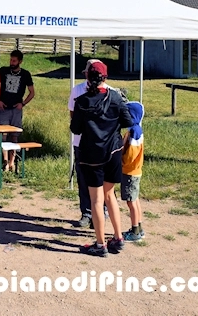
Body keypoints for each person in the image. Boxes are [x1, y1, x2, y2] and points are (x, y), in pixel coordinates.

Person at [70, 61, 133, 257]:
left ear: (87, 77)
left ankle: (100, 244)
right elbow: (128, 121)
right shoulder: (115, 97)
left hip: (92, 155)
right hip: (114, 152)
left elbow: (75, 129)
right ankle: (118, 238)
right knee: (110, 195)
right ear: (105, 77)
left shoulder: (82, 101)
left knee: (96, 200)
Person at [68, 58, 111, 228]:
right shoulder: (77, 90)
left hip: (102, 144)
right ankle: (86, 212)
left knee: (103, 180)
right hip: (82, 142)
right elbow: (73, 115)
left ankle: (102, 212)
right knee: (83, 179)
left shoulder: (109, 92)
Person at [0, 50, 35, 172]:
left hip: (16, 109)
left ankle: (12, 162)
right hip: (4, 107)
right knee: (3, 135)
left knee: (14, 135)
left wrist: (23, 103)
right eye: (11, 60)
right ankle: (4, 161)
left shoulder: (25, 74)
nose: (12, 63)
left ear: (20, 61)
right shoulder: (3, 71)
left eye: (14, 61)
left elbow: (32, 92)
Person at [121, 100, 145, 242]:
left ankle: (135, 231)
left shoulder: (134, 132)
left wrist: (121, 161)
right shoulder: (135, 130)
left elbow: (131, 155)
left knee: (131, 202)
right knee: (135, 200)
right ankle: (139, 227)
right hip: (134, 171)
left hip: (130, 171)